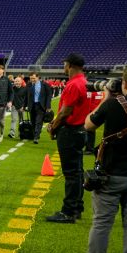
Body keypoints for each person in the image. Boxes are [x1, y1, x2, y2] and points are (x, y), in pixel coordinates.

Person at [80, 66, 127, 253]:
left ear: (125, 82)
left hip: (112, 174)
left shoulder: (113, 104)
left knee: (102, 223)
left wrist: (106, 98)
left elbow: (88, 124)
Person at [45, 54, 95, 223]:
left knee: (71, 174)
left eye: (65, 64)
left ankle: (68, 211)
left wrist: (53, 126)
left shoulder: (74, 84)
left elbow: (66, 111)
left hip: (70, 131)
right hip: (79, 130)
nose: (64, 66)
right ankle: (76, 207)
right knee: (77, 172)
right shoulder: (83, 81)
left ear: (70, 65)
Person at [27, 71, 52, 143]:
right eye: (31, 78)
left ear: (38, 77)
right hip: (32, 106)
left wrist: (48, 106)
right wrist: (24, 105)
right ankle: (35, 134)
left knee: (39, 121)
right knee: (33, 122)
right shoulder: (29, 85)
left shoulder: (45, 85)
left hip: (41, 106)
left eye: (34, 78)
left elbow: (49, 96)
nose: (32, 80)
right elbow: (27, 95)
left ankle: (36, 137)